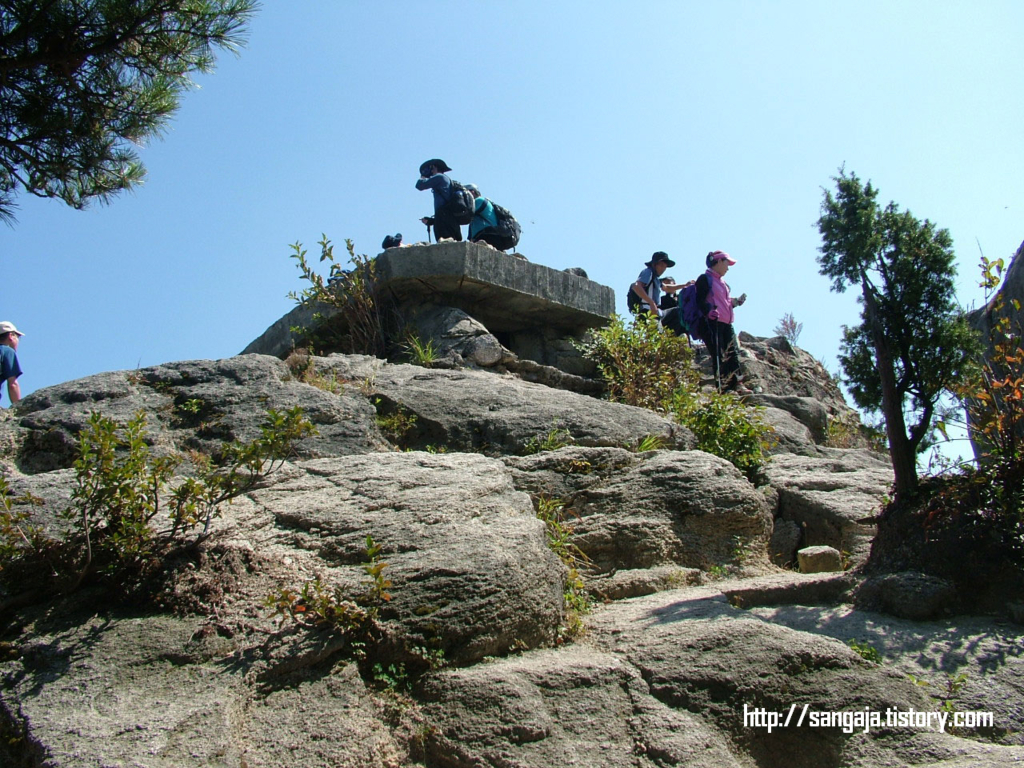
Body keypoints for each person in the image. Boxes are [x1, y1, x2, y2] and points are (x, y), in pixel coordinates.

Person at [696, 251, 750, 394]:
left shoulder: (723, 283)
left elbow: (725, 303)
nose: (728, 267)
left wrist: (736, 302)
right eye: (727, 263)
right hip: (712, 323)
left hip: (726, 323)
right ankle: (724, 388)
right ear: (718, 262)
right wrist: (708, 312)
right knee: (719, 355)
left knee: (733, 353)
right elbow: (699, 301)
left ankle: (738, 385)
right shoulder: (704, 279)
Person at [415, 159, 463, 242]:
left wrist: (423, 176)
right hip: (450, 219)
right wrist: (432, 221)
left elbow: (420, 185)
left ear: (435, 167)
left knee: (444, 244)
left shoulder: (440, 177)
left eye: (431, 168)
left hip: (443, 218)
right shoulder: (446, 180)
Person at [631, 252, 683, 316]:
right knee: (677, 313)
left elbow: (667, 288)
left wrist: (685, 285)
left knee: (677, 312)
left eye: (665, 267)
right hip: (646, 310)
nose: (663, 269)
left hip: (655, 312)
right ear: (654, 264)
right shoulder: (648, 272)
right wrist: (651, 302)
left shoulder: (656, 279)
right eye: (661, 266)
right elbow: (636, 286)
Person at [0, 321, 24, 406]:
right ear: (11, 336)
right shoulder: (7, 351)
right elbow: (12, 384)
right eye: (18, 337)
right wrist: (18, 410)